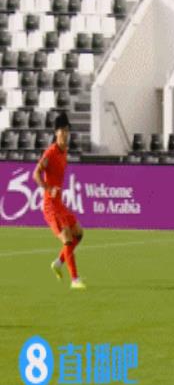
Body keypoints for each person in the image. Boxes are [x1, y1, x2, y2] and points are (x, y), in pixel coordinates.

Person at [33, 112, 86, 290]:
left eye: (66, 130)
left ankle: (58, 263)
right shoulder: (51, 152)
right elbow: (36, 174)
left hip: (59, 204)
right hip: (50, 205)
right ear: (56, 133)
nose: (64, 133)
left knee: (78, 233)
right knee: (68, 239)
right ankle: (75, 280)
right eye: (61, 130)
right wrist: (48, 189)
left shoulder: (65, 152)